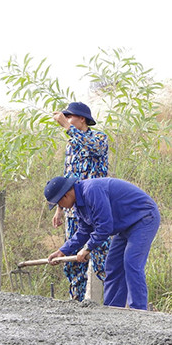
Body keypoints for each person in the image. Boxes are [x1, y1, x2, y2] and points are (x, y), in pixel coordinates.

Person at [45, 176, 160, 310]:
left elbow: (105, 227)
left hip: (143, 218)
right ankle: (112, 310)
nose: (61, 207)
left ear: (65, 196)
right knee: (113, 265)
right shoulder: (78, 204)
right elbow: (84, 231)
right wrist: (62, 251)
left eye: (59, 204)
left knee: (131, 261)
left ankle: (139, 311)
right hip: (125, 225)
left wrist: (87, 248)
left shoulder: (92, 191)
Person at [51, 102, 110, 301]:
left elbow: (93, 148)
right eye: (65, 117)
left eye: (70, 117)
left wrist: (68, 128)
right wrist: (60, 208)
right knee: (74, 258)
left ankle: (112, 304)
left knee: (102, 257)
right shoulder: (70, 145)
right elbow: (67, 179)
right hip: (73, 210)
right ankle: (75, 302)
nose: (66, 120)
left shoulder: (98, 138)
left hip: (97, 207)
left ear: (81, 119)